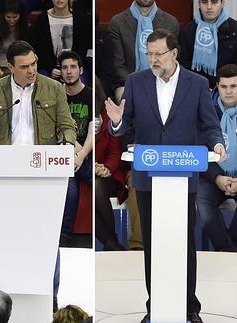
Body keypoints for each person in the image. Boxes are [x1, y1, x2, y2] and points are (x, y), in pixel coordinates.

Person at [105, 29, 226, 323]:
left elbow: (209, 125)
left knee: (184, 243)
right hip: (148, 177)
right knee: (152, 243)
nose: (153, 59)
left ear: (174, 53)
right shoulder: (136, 81)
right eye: (149, 54)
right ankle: (155, 305)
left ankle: (190, 307)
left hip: (184, 176)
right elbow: (125, 126)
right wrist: (118, 123)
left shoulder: (197, 84)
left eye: (159, 53)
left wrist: (217, 143)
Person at [0, 40, 76, 312]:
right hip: (5, 174)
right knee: (8, 235)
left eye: (34, 64)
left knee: (47, 236)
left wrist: (68, 145)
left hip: (44, 172)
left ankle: (49, 299)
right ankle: (5, 296)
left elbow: (67, 126)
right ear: (10, 67)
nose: (31, 70)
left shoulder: (54, 88)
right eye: (25, 66)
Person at [196, 63, 237, 252]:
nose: (228, 92)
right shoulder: (206, 112)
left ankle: (231, 246)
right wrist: (217, 178)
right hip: (214, 177)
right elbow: (199, 150)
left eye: (234, 86)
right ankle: (226, 250)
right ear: (216, 87)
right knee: (202, 199)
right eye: (224, 86)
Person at [109, 0, 178, 100]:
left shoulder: (171, 23)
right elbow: (118, 65)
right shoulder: (118, 22)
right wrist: (138, 84)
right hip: (127, 83)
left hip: (162, 81)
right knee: (126, 97)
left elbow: (170, 63)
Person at [58, 50, 92, 246]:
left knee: (97, 185)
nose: (68, 72)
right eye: (64, 68)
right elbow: (57, 127)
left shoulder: (90, 95)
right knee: (69, 189)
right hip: (63, 154)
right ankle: (64, 239)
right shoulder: (56, 94)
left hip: (86, 154)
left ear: (80, 70)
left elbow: (92, 130)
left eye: (72, 67)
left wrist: (82, 154)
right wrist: (75, 152)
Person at [94, 76, 127, 251]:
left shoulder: (108, 115)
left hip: (110, 174)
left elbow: (115, 150)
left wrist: (106, 168)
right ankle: (112, 243)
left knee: (97, 187)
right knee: (89, 189)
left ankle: (110, 242)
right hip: (82, 171)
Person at [179, 0, 237, 89]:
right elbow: (184, 68)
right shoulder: (187, 32)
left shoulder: (234, 30)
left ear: (223, 3)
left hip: (228, 91)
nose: (209, 7)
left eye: (214, 2)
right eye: (204, 2)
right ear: (199, 3)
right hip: (196, 90)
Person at [0, 0, 30, 78]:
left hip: (22, 67)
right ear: (3, 16)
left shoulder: (27, 29)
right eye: (8, 17)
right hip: (2, 68)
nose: (12, 20)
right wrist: (1, 74)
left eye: (15, 17)